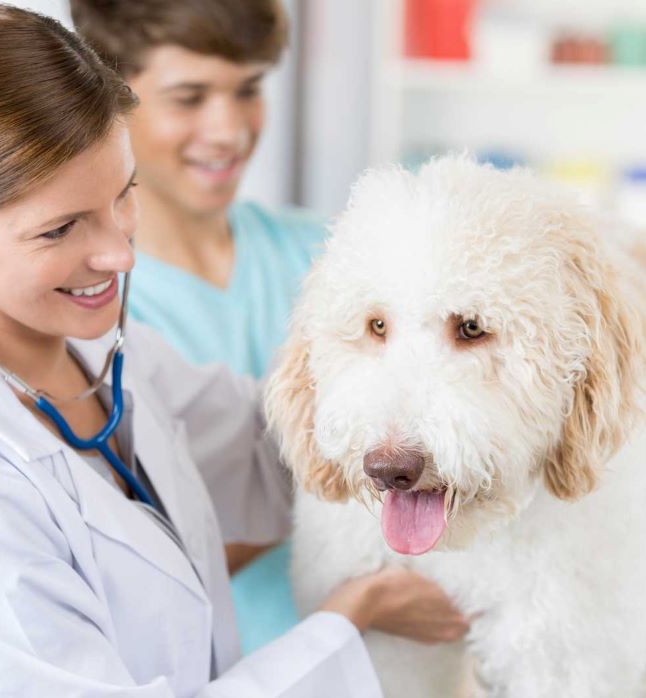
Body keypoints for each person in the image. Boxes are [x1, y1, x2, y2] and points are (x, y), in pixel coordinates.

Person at [0, 7, 468, 697]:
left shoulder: (88, 352)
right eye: (61, 228)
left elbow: (270, 445)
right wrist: (345, 623)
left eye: (122, 196)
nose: (120, 253)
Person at [69, 0, 469, 654]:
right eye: (189, 97)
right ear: (108, 104)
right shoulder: (93, 309)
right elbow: (129, 566)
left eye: (248, 89)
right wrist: (336, 515)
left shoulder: (327, 250)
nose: (227, 129)